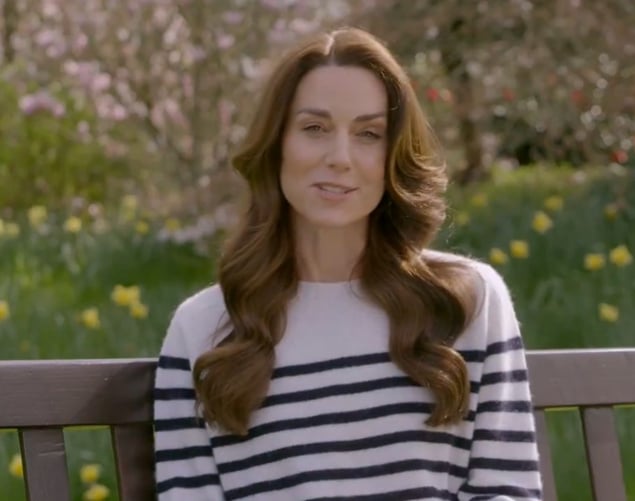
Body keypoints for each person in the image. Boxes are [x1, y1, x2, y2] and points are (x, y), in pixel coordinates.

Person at [153, 26, 542, 500]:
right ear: (277, 144)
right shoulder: (204, 329)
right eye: (314, 128)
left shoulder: (466, 301)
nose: (340, 157)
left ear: (393, 155)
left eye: (369, 134)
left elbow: (505, 489)